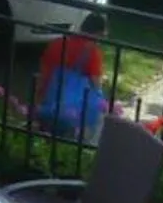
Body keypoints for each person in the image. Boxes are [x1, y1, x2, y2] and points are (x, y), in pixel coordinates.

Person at [33, 10, 109, 142]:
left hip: (47, 102)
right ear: (99, 33)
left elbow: (42, 74)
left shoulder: (57, 43)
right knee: (100, 119)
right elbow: (96, 86)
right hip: (71, 112)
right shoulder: (92, 52)